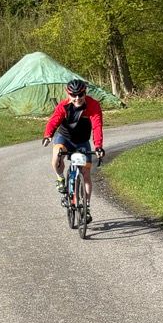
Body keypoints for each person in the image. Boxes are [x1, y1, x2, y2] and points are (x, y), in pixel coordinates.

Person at [43, 78, 105, 219]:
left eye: (80, 94)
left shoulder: (93, 105)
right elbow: (54, 121)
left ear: (85, 93)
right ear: (68, 94)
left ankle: (86, 207)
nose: (77, 98)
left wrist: (98, 146)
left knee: (86, 174)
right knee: (57, 154)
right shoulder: (63, 106)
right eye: (73, 95)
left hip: (82, 142)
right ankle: (60, 178)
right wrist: (48, 135)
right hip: (64, 138)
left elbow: (97, 126)